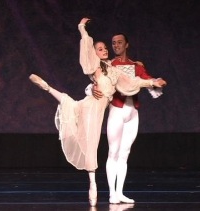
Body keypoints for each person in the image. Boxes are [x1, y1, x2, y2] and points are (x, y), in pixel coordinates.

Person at [29, 18, 166, 207]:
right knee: (94, 142)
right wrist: (82, 30)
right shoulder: (96, 67)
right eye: (104, 47)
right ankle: (96, 186)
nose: (110, 48)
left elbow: (132, 82)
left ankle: (118, 192)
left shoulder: (116, 69)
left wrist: (152, 82)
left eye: (113, 45)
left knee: (121, 150)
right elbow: (87, 62)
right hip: (97, 107)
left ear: (127, 44)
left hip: (117, 109)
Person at [88, 33, 167, 204]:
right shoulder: (108, 65)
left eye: (119, 42)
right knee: (113, 152)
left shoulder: (135, 66)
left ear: (126, 44)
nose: (116, 46)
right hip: (117, 110)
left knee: (124, 153)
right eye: (113, 43)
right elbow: (94, 83)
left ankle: (120, 192)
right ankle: (111, 193)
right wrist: (92, 90)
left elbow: (146, 78)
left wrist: (157, 80)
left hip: (133, 112)